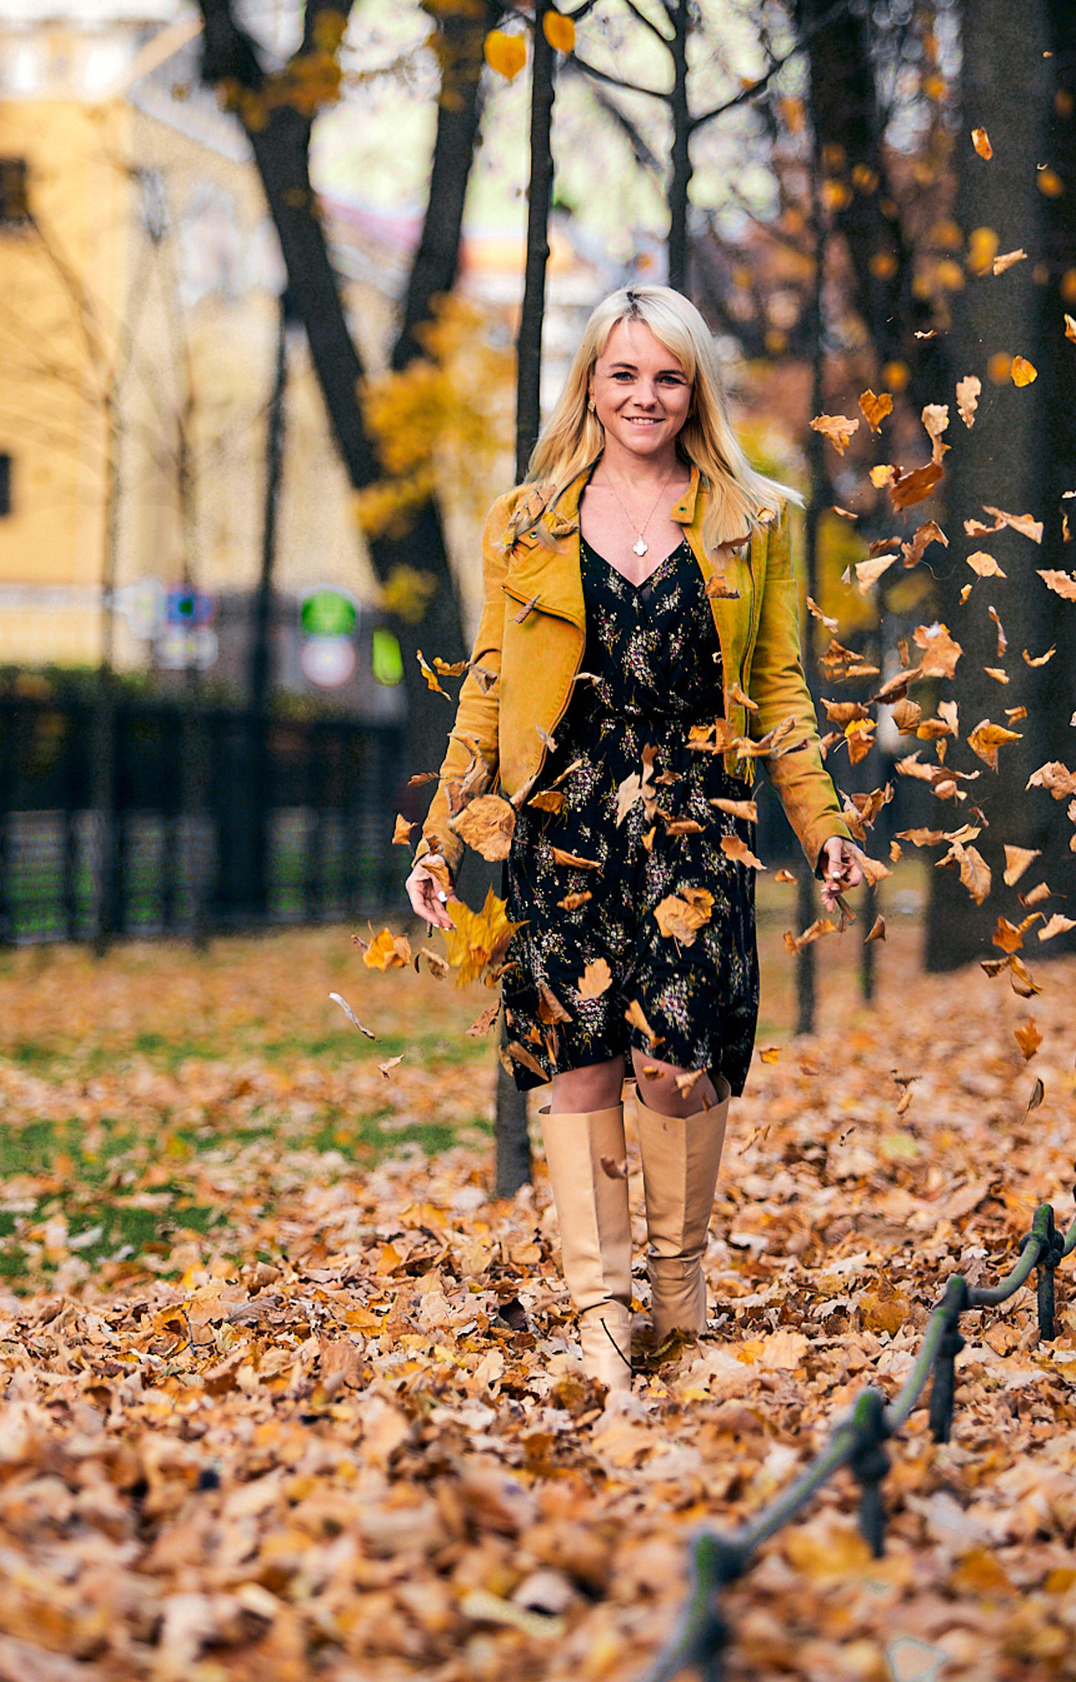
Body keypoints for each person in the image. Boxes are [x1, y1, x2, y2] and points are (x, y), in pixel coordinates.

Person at [406, 286, 869, 1394]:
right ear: (591, 385)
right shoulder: (526, 520)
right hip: (560, 824)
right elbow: (486, 692)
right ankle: (600, 1315)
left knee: (673, 1065)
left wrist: (822, 822)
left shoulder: (755, 518)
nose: (644, 396)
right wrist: (441, 841)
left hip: (691, 825)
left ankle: (675, 1286)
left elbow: (779, 687)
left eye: (666, 376)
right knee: (581, 1068)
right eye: (623, 375)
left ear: (694, 386)